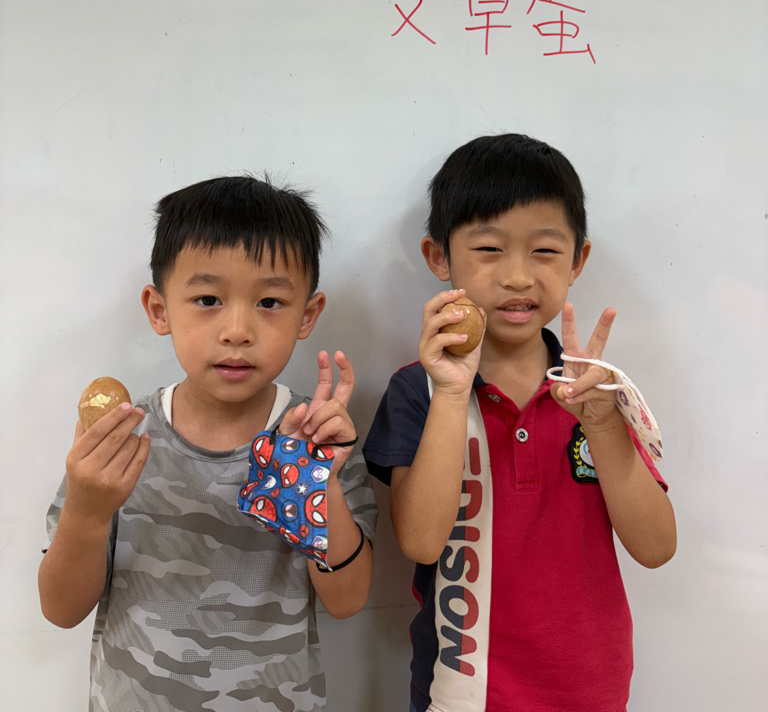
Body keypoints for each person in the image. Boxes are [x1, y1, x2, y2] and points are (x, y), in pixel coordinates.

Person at [40, 175, 376, 712]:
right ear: (159, 310)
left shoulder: (316, 438)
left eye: (270, 301)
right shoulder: (124, 438)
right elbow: (60, 610)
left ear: (307, 315)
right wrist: (86, 508)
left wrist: (318, 484)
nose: (237, 330)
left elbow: (348, 600)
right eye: (207, 299)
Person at [364, 134, 676, 712]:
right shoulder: (419, 390)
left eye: (545, 251)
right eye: (488, 248)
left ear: (578, 261)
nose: (517, 276)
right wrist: (452, 393)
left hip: (592, 692)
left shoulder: (596, 391)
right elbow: (421, 542)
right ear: (439, 257)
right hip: (459, 694)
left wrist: (603, 424)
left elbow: (656, 547)